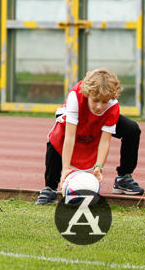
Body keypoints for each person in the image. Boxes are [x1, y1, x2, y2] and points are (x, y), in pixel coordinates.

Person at [35, 68, 121, 204]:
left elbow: (105, 141)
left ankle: (124, 179)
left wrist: (99, 167)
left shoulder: (113, 106)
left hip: (92, 129)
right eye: (96, 100)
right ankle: (50, 188)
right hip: (71, 125)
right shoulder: (75, 96)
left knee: (132, 129)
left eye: (104, 102)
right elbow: (69, 136)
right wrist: (65, 169)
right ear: (88, 94)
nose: (99, 106)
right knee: (55, 139)